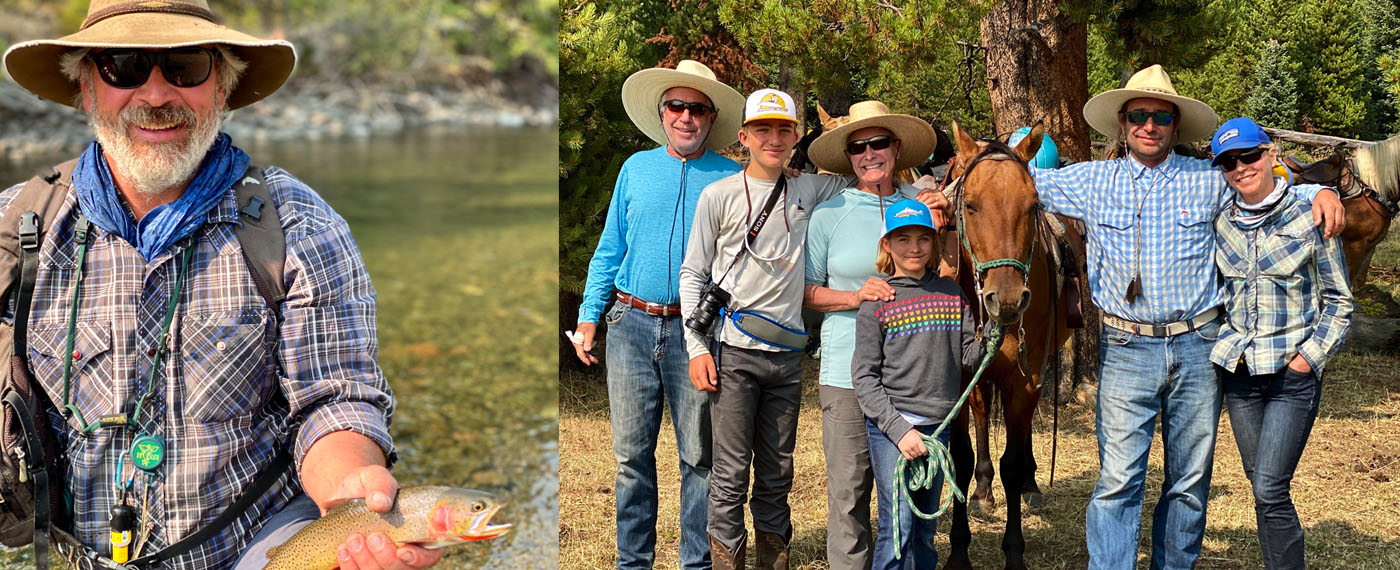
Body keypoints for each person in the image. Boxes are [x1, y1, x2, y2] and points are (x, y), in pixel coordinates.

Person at [1, 2, 438, 568]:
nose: (156, 94)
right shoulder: (15, 230)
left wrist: (353, 491)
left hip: (259, 546)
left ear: (224, 87)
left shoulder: (299, 225)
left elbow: (335, 401)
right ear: (86, 87)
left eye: (185, 66)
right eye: (124, 66)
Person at [1022, 65, 1347, 569]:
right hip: (1126, 348)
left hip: (1199, 345)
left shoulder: (1207, 180)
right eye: (1139, 116)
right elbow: (1014, 182)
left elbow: (1264, 188)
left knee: (1190, 482)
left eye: (1161, 117)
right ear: (1123, 123)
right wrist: (939, 194)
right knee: (1117, 480)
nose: (1149, 126)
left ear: (1175, 126)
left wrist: (1321, 193)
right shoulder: (1089, 180)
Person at [569, 59, 744, 570]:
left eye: (697, 109)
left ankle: (697, 563)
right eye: (676, 106)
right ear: (662, 112)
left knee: (700, 458)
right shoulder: (635, 169)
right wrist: (589, 315)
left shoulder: (732, 177)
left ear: (712, 118)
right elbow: (609, 249)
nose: (686, 116)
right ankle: (633, 563)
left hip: (698, 332)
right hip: (630, 324)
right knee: (630, 459)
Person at [680, 87, 850, 570]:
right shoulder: (719, 196)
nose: (773, 140)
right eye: (762, 130)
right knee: (730, 476)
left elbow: (862, 179)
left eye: (783, 130)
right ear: (743, 138)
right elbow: (693, 273)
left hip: (787, 360)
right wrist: (696, 347)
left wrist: (925, 193)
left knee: (777, 475)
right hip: (733, 355)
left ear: (796, 137)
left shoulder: (808, 189)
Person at [1207, 117, 1352, 569]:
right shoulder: (1221, 222)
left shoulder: (1310, 215)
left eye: (1249, 155)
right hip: (1241, 377)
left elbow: (1339, 300)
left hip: (1292, 377)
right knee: (1263, 488)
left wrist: (1308, 359)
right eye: (1229, 162)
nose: (1241, 167)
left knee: (1269, 487)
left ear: (1271, 154)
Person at [801, 100, 938, 570]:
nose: (869, 154)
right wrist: (855, 296)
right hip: (845, 373)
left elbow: (946, 277)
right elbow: (805, 292)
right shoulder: (829, 214)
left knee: (910, 492)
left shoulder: (922, 208)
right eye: (857, 147)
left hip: (911, 379)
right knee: (849, 493)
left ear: (897, 148)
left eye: (878, 143)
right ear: (848, 157)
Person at [849, 199, 978, 569]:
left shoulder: (952, 295)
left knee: (925, 529)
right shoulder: (878, 302)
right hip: (895, 431)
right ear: (887, 244)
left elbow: (968, 356)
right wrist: (899, 430)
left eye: (923, 238)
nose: (914, 248)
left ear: (934, 242)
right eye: (903, 239)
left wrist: (996, 331)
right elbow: (865, 377)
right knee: (898, 527)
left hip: (938, 427)